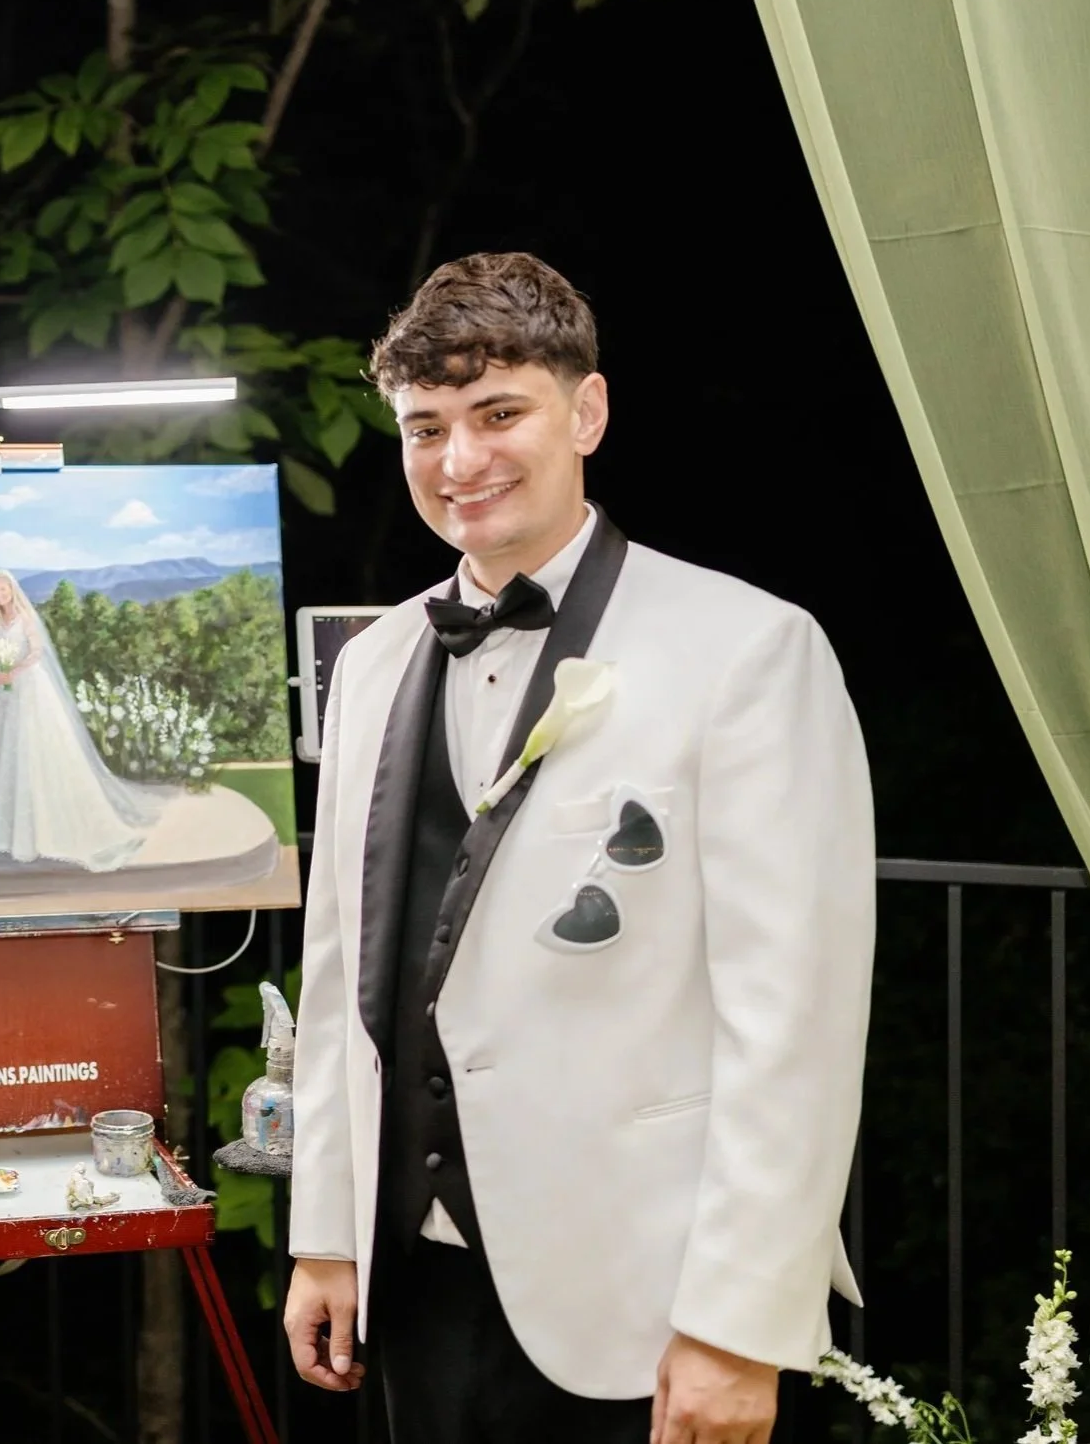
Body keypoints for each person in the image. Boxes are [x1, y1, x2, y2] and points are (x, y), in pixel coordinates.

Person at [283, 254, 874, 1444]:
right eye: (426, 427)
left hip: (645, 1298)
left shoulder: (748, 649)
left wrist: (738, 1322)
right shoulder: (373, 664)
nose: (460, 460)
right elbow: (343, 973)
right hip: (413, 1276)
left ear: (587, 412)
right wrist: (327, 1234)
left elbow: (793, 1026)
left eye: (499, 413)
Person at [0, 570, 163, 871]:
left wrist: (14, 671)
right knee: (7, 751)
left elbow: (36, 652)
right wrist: (0, 670)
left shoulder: (25, 618)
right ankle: (8, 824)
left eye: (4, 590)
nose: (0, 595)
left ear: (12, 590)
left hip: (31, 687)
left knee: (34, 748)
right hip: (8, 692)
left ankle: (46, 827)